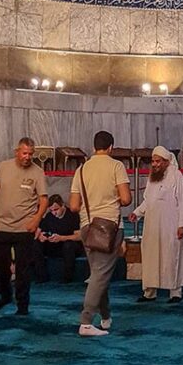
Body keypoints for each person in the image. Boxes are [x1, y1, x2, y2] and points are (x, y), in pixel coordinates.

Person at [69, 131, 131, 337]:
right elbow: (126, 199)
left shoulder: (81, 169)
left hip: (87, 227)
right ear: (111, 147)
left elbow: (73, 205)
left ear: (94, 146)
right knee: (99, 275)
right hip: (109, 227)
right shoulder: (116, 166)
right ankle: (86, 322)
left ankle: (105, 317)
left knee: (99, 273)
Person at [0, 137, 48, 315]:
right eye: (24, 153)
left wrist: (37, 219)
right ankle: (5, 295)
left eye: (30, 154)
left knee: (23, 270)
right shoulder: (3, 167)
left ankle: (23, 305)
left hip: (24, 227)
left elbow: (43, 200)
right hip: (2, 226)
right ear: (17, 152)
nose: (27, 157)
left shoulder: (37, 172)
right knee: (0, 266)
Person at [129, 146, 183, 303]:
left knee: (171, 256)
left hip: (171, 226)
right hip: (152, 226)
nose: (154, 164)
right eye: (153, 161)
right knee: (151, 257)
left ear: (166, 162)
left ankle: (175, 292)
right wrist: (137, 212)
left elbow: (182, 202)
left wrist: (182, 225)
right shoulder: (152, 177)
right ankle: (149, 292)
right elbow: (148, 200)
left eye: (157, 161)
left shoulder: (176, 175)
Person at [34, 194, 82, 283]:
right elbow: (39, 232)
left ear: (62, 205)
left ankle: (67, 278)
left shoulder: (73, 215)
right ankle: (41, 277)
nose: (54, 213)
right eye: (51, 210)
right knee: (36, 244)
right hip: (54, 245)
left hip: (68, 245)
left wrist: (62, 238)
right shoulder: (49, 216)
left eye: (56, 210)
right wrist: (42, 237)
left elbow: (79, 236)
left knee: (68, 246)